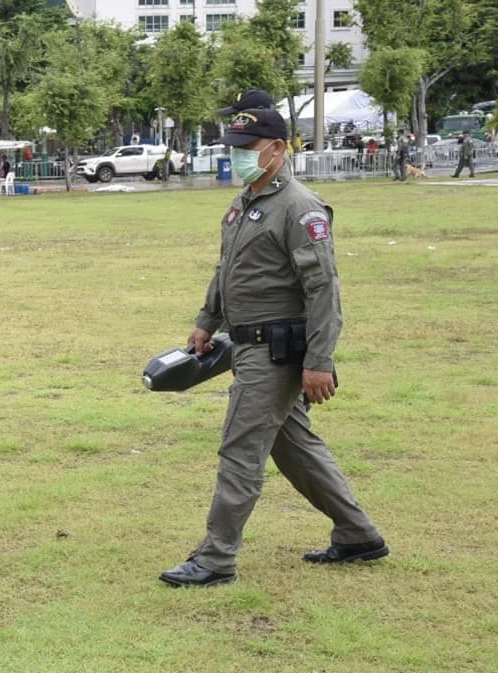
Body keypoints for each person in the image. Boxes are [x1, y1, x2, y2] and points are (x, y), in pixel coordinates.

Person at [158, 108, 388, 588]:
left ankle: (216, 559)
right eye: (234, 146)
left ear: (278, 148)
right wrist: (206, 320)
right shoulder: (246, 201)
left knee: (241, 448)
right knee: (294, 446)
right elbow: (228, 269)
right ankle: (358, 534)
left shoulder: (300, 207)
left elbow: (323, 289)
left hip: (277, 352)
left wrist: (320, 361)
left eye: (247, 147)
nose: (238, 155)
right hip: (246, 345)